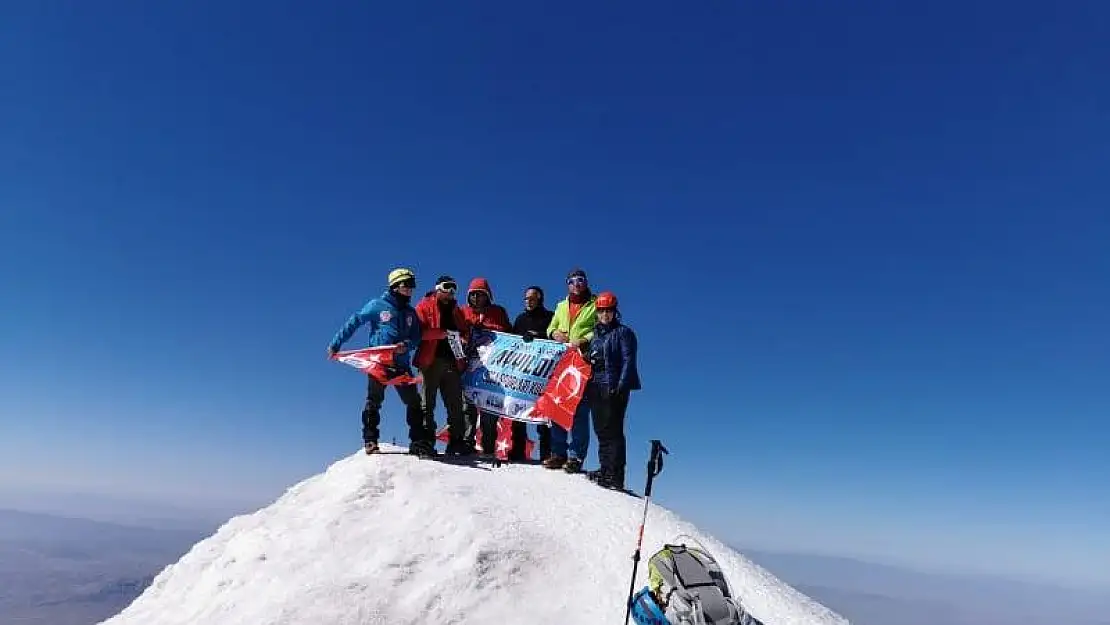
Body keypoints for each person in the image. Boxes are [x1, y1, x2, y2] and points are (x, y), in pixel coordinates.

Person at [327, 268, 435, 457]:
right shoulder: (377, 305)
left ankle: (417, 442)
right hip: (379, 365)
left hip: (401, 366)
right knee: (374, 401)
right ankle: (370, 440)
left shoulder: (411, 313)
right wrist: (336, 343)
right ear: (395, 286)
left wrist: (407, 345)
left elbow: (417, 337)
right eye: (406, 285)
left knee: (414, 403)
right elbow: (354, 321)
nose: (410, 289)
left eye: (412, 285)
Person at [583, 291, 641, 490]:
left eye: (608, 310)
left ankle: (616, 475)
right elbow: (592, 357)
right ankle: (605, 468)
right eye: (601, 311)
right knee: (601, 430)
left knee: (613, 431)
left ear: (615, 312)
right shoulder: (596, 334)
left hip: (613, 386)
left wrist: (620, 386)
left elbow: (628, 360)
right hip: (595, 385)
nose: (604, 315)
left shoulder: (623, 333)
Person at [544, 268, 598, 473]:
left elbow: (600, 328)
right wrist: (555, 333)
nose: (576, 283)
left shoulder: (594, 304)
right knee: (557, 405)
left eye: (580, 280)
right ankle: (558, 453)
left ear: (585, 282)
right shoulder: (560, 305)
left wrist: (585, 339)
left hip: (583, 361)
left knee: (579, 410)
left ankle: (576, 456)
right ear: (567, 284)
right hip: (562, 362)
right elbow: (551, 327)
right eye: (572, 281)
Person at [413, 275, 472, 455]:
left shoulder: (456, 310)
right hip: (430, 361)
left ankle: (456, 441)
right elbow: (417, 333)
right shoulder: (424, 306)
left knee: (455, 404)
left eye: (454, 288)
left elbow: (465, 331)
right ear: (438, 288)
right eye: (447, 287)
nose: (451, 292)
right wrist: (440, 334)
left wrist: (463, 339)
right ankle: (426, 441)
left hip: (453, 362)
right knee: (426, 403)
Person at [459, 277, 513, 456]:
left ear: (487, 296)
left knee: (490, 407)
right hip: (468, 367)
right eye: (473, 294)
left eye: (480, 294)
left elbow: (510, 336)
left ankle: (489, 445)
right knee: (468, 406)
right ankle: (466, 442)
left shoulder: (498, 312)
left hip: (493, 371)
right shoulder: (462, 312)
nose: (476, 298)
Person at [512, 285, 555, 461]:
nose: (529, 301)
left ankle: (546, 453)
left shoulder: (549, 317)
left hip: (543, 375)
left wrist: (538, 338)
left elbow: (555, 341)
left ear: (540, 300)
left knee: (544, 415)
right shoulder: (520, 319)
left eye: (532, 298)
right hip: (523, 373)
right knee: (518, 412)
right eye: (526, 298)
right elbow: (511, 342)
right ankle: (517, 450)